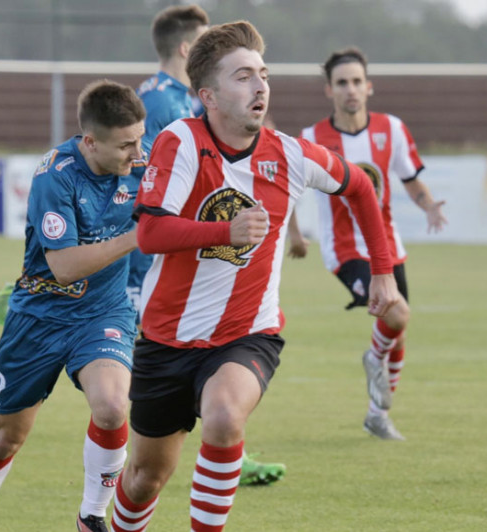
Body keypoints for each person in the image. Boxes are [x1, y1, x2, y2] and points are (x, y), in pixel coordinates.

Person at [0, 4, 286, 486]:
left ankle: (209, 455)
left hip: (124, 272)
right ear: (186, 50)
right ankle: (211, 452)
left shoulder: (178, 101)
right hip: (134, 259)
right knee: (167, 363)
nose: (138, 152)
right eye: (207, 44)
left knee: (123, 395)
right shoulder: (162, 108)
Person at [110, 21, 399, 532]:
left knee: (223, 417)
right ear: (209, 95)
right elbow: (151, 233)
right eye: (243, 76)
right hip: (166, 340)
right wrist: (225, 230)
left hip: (248, 335)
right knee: (143, 479)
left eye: (263, 74)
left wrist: (383, 273)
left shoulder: (289, 154)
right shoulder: (180, 141)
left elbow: (360, 188)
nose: (260, 85)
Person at [0, 80, 146, 532]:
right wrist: (137, 238)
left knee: (113, 406)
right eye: (125, 145)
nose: (137, 154)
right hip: (38, 317)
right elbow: (63, 267)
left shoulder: (146, 160)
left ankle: (92, 516)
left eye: (140, 140)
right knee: (5, 438)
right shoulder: (54, 176)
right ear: (90, 142)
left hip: (103, 313)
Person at [289, 46, 446, 440]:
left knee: (400, 328)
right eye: (342, 83)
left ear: (369, 86)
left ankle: (378, 414)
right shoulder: (312, 138)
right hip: (345, 251)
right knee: (397, 316)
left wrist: (428, 205)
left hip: (388, 246)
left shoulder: (391, 129)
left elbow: (411, 180)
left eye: (357, 81)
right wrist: (293, 232)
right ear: (329, 90)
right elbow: (286, 187)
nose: (351, 90)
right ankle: (373, 357)